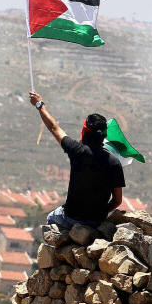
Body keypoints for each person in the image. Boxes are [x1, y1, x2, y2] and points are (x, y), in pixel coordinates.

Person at [28, 91, 124, 228]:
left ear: (85, 131)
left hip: (71, 218)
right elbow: (117, 200)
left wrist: (39, 105)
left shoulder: (77, 150)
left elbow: (54, 128)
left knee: (51, 218)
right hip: (95, 221)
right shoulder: (114, 163)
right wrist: (100, 213)